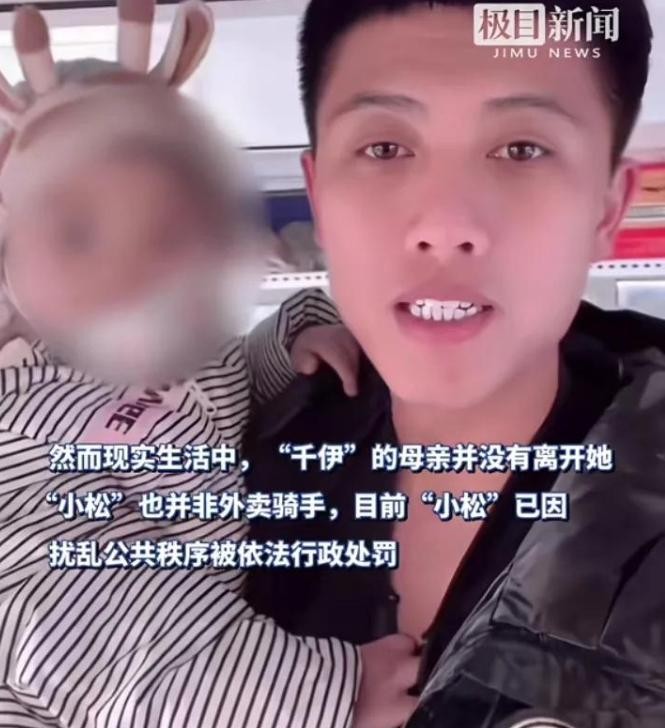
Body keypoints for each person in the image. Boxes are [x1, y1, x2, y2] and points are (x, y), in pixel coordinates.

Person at [0, 2, 421, 727]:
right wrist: (328, 696)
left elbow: (226, 383)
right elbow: (95, 641)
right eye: (78, 234)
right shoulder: (24, 433)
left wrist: (294, 342)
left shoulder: (160, 346)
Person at [245, 1, 665, 725]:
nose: (444, 227)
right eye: (384, 148)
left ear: (606, 208)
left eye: (521, 149)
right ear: (318, 196)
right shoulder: (209, 473)